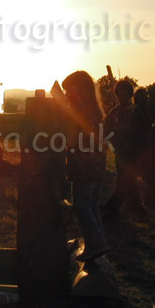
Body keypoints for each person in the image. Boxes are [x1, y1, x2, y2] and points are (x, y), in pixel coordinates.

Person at [62, 71, 109, 262]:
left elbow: (75, 134)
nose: (66, 95)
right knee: (91, 205)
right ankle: (97, 244)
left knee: (82, 206)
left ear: (78, 88)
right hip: (96, 163)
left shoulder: (82, 109)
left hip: (84, 164)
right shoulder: (93, 108)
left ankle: (96, 243)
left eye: (69, 91)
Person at [103, 79, 149, 220]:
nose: (123, 97)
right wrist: (112, 145)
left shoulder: (136, 112)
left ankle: (120, 208)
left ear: (129, 95)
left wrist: (141, 154)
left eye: (126, 94)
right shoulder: (114, 112)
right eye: (120, 94)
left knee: (126, 181)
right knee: (126, 181)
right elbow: (106, 130)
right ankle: (132, 208)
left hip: (132, 153)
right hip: (120, 153)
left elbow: (143, 134)